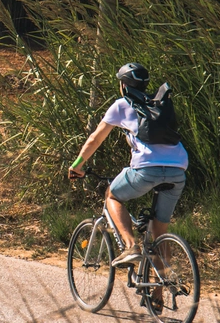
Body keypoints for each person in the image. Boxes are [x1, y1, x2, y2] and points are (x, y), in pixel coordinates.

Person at [68, 62, 188, 270]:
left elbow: (95, 139)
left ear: (123, 85)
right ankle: (161, 292)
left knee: (112, 195)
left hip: (146, 169)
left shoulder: (122, 105)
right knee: (160, 232)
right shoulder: (159, 104)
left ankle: (131, 246)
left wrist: (77, 165)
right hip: (178, 169)